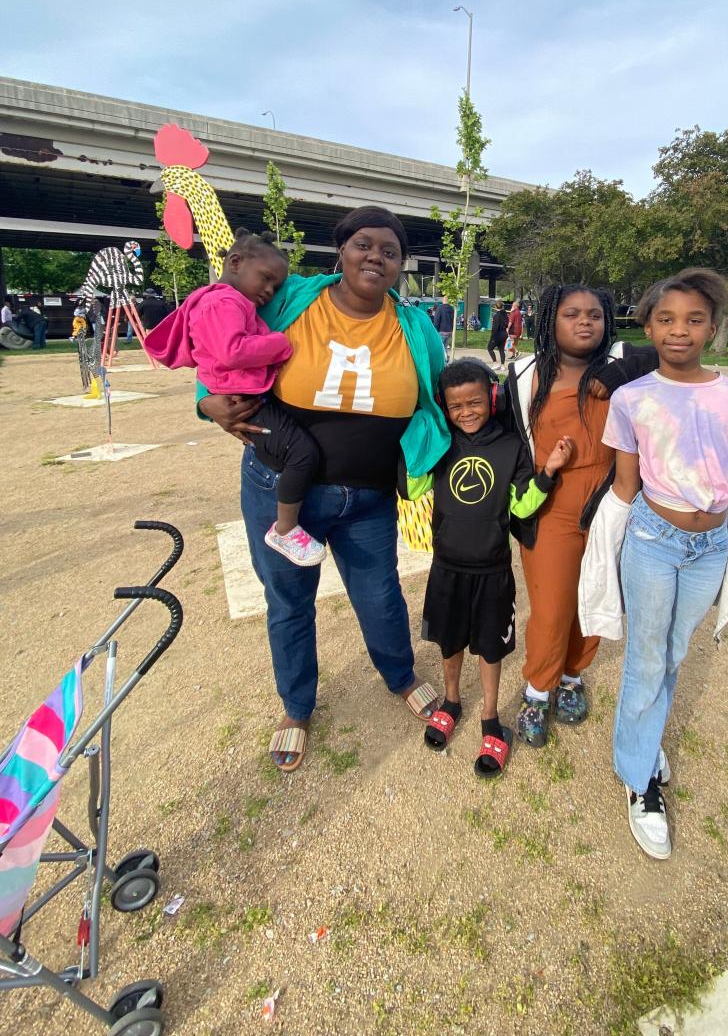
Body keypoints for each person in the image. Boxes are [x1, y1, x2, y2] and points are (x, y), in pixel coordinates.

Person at [196, 206, 449, 772]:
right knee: (288, 600)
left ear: (400, 266)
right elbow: (218, 333)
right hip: (281, 488)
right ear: (340, 251)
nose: (375, 257)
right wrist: (206, 399)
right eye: (363, 244)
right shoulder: (292, 299)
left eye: (389, 251)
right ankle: (296, 706)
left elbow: (439, 391)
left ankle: (400, 675)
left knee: (380, 594)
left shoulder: (415, 325)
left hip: (370, 497)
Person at [602, 268, 728, 860]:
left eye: (694, 320)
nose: (679, 331)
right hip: (653, 539)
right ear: (647, 326)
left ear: (713, 328)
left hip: (711, 547)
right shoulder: (631, 398)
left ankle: (643, 739)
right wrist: (602, 552)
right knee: (647, 657)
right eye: (666, 319)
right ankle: (638, 775)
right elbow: (624, 484)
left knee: (673, 652)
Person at [506, 284, 658, 747]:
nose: (585, 321)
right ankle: (537, 690)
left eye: (594, 314)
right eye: (572, 313)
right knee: (552, 607)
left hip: (608, 505)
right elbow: (504, 439)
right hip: (550, 505)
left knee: (594, 595)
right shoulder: (523, 373)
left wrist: (621, 372)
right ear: (550, 321)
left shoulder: (620, 364)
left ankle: (573, 675)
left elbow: (672, 352)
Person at [406, 359, 573, 777]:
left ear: (492, 397)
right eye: (456, 406)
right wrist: (417, 439)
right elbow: (412, 487)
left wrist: (549, 472)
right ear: (445, 407)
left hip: (492, 572)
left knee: (490, 647)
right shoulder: (442, 444)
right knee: (449, 642)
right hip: (446, 569)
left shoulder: (510, 446)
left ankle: (491, 718)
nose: (466, 412)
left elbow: (521, 505)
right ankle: (451, 701)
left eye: (475, 402)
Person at [146, 229, 326, 567]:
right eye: (266, 279)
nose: (270, 291)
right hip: (244, 399)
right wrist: (281, 344)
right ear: (235, 262)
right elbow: (231, 351)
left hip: (245, 396)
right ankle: (285, 529)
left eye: (276, 285)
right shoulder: (222, 302)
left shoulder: (230, 301)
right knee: (301, 453)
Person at [487, 299, 508, 368]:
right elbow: (506, 324)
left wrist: (492, 337)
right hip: (504, 334)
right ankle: (502, 365)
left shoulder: (496, 316)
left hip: (497, 335)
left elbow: (495, 327)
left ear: (496, 307)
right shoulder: (505, 314)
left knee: (490, 348)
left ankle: (495, 363)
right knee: (501, 349)